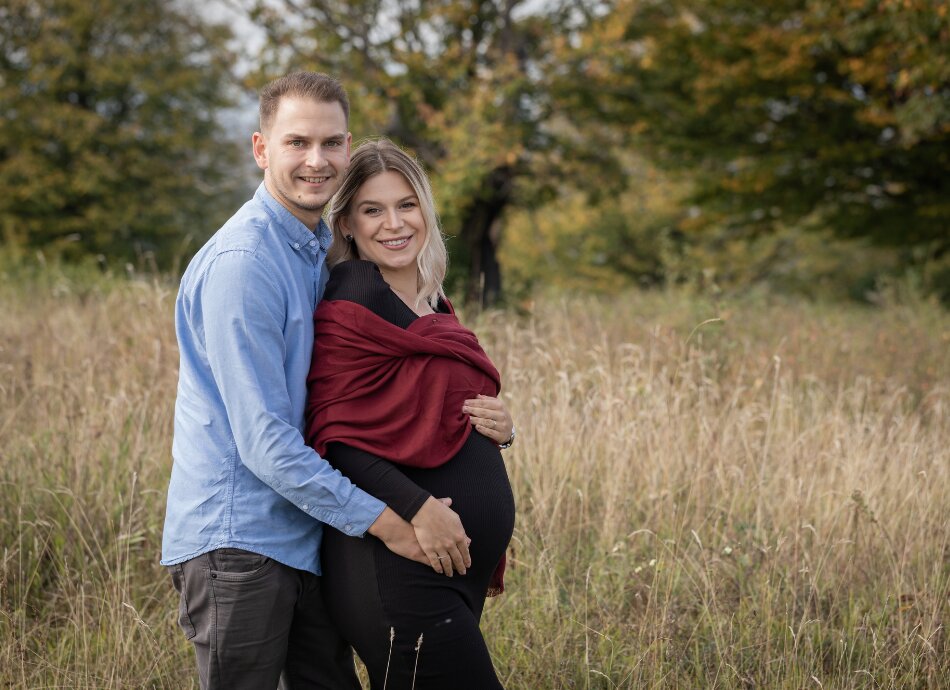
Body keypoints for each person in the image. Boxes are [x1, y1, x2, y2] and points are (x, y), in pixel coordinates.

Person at [160, 72, 497, 689]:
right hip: (242, 544)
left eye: (332, 143)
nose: (317, 161)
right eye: (297, 143)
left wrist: (485, 422)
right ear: (261, 148)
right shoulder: (246, 265)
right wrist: (399, 520)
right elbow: (265, 444)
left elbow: (372, 389)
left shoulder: (316, 250)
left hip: (308, 534)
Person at [305, 139, 517, 689]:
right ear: (347, 223)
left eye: (406, 204)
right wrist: (421, 508)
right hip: (397, 566)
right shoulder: (354, 294)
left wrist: (503, 429)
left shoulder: (432, 299)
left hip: (447, 568)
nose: (393, 223)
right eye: (373, 210)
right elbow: (337, 437)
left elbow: (434, 410)